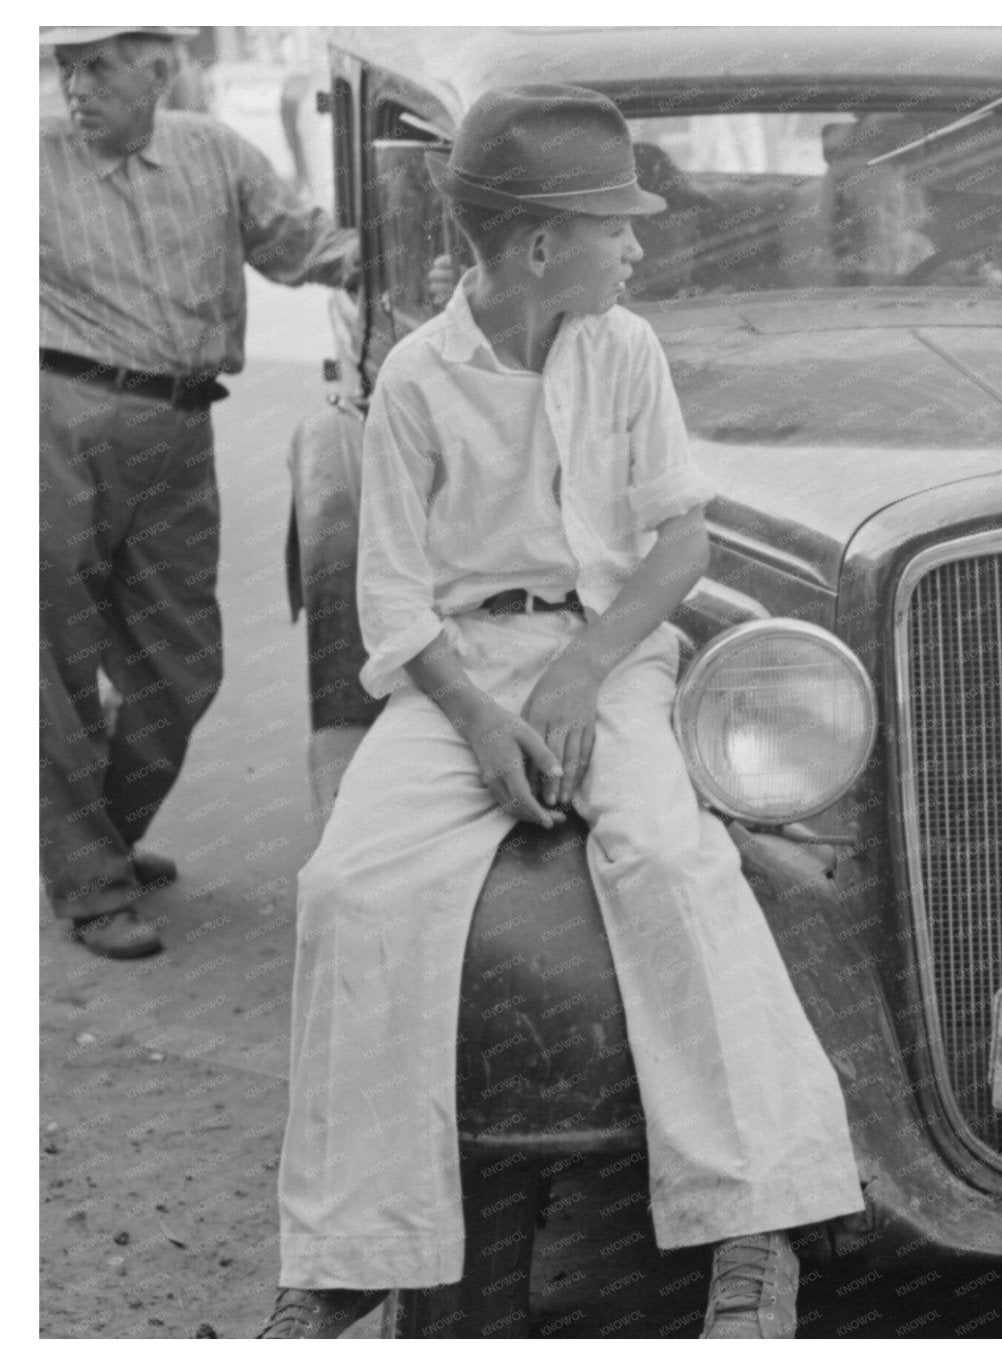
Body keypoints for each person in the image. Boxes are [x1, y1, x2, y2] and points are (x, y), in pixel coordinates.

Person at [258, 84, 863, 1338]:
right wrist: (484, 726)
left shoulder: (622, 349)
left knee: (671, 861)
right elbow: (393, 602)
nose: (637, 246)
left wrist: (585, 670)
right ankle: (345, 1258)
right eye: (616, 224)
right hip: (458, 673)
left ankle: (753, 1229)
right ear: (540, 246)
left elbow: (679, 543)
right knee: (350, 889)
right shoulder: (416, 380)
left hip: (607, 654)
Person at [40, 25, 359, 959]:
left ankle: (94, 837)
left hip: (179, 432)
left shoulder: (215, 153)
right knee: (57, 664)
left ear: (160, 68)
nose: (76, 87)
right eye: (65, 67)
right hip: (54, 421)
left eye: (98, 66)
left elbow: (304, 245)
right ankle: (91, 882)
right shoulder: (30, 163)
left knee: (182, 663)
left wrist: (426, 261)